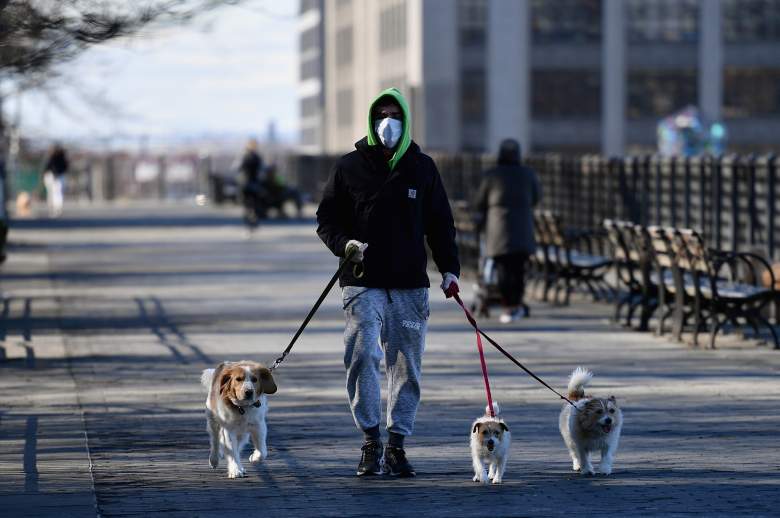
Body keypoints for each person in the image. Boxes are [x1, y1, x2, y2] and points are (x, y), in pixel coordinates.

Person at [316, 88, 460, 478]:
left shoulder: (423, 167)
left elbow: (441, 224)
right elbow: (326, 220)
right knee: (362, 357)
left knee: (406, 366)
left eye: (395, 114)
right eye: (381, 113)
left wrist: (450, 270)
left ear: (406, 120)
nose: (388, 121)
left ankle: (396, 444)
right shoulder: (348, 167)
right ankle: (370, 441)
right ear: (370, 119)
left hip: (411, 285)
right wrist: (345, 245)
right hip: (362, 281)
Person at [473, 138, 541, 324]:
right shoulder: (528, 174)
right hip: (522, 227)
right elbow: (536, 198)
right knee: (518, 269)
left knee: (502, 268)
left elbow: (479, 201)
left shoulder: (491, 175)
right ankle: (516, 305)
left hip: (498, 228)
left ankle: (507, 306)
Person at [238, 138, 265, 231]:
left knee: (247, 203)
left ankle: (249, 219)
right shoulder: (257, 157)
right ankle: (253, 218)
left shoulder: (244, 156)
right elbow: (262, 170)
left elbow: (238, 168)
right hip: (254, 183)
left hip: (246, 183)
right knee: (254, 203)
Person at [43, 143, 69, 217]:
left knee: (57, 193)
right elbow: (47, 167)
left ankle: (57, 208)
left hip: (58, 176)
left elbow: (65, 168)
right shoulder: (51, 157)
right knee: (53, 193)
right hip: (51, 176)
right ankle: (53, 209)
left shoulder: (61, 158)